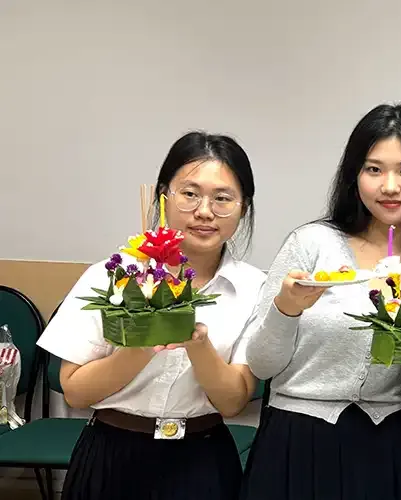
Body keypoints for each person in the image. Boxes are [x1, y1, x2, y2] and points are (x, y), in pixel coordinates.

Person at [238, 103, 401, 500]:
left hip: (392, 445)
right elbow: (261, 364)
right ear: (354, 175)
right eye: (374, 169)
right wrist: (286, 309)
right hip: (299, 438)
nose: (390, 186)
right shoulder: (311, 244)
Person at [37, 131, 264, 500]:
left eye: (223, 198)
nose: (205, 212)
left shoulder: (253, 289)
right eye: (190, 194)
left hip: (203, 458)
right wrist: (143, 343)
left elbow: (232, 402)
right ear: (163, 196)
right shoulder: (111, 275)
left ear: (243, 207)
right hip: (111, 454)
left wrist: (197, 341)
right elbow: (75, 391)